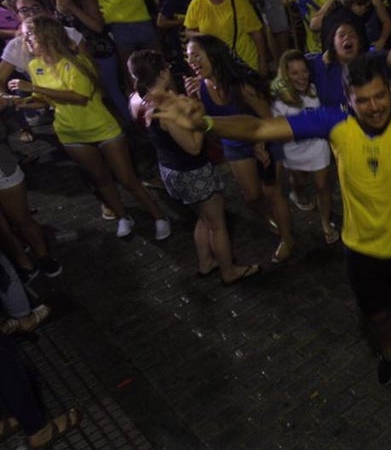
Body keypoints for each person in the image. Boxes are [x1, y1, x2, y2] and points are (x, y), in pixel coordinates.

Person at [155, 58, 391, 398]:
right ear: (348, 99)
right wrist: (205, 123)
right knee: (377, 316)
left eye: (380, 96)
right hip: (361, 250)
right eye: (363, 100)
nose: (374, 107)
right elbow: (260, 129)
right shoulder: (335, 122)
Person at [10, 15, 169, 240]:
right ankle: (123, 216)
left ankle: (159, 217)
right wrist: (22, 102)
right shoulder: (35, 66)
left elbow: (80, 96)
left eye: (29, 35)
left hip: (102, 128)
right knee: (101, 180)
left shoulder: (76, 61)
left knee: (127, 178)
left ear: (47, 35)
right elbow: (45, 100)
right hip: (70, 133)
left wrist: (34, 88)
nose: (25, 41)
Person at [128, 50, 258, 285]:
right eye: (167, 67)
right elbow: (194, 147)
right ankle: (229, 271)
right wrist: (200, 113)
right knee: (218, 225)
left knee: (203, 218)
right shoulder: (167, 110)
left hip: (170, 169)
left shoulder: (139, 99)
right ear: (162, 73)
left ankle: (206, 262)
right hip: (192, 171)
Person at [185, 34, 293, 263]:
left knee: (272, 192)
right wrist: (193, 101)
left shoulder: (243, 86)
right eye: (188, 57)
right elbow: (208, 124)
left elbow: (267, 117)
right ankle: (270, 217)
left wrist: (261, 144)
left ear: (213, 55)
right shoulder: (201, 87)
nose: (191, 61)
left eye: (196, 55)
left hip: (264, 137)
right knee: (251, 197)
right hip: (234, 144)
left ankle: (287, 238)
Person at [271, 51, 338, 245]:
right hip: (293, 149)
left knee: (322, 186)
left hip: (317, 146)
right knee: (299, 181)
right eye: (295, 73)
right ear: (286, 75)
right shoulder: (278, 102)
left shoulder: (316, 91)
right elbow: (276, 131)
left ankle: (325, 223)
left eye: (304, 71)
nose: (302, 77)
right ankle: (297, 192)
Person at [184, 0, 268, 75]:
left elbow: (257, 33)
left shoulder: (239, 2)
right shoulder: (196, 4)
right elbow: (188, 32)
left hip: (245, 61)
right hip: (219, 66)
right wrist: (206, 37)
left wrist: (263, 62)